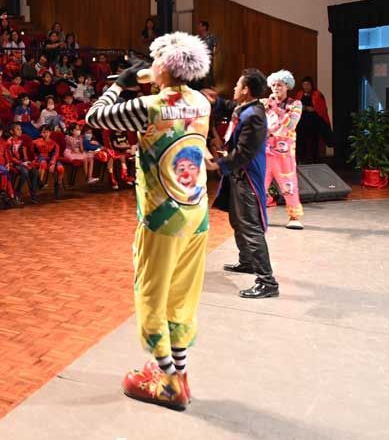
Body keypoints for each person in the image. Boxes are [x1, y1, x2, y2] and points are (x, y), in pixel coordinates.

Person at [84, 31, 213, 410]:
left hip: (162, 217)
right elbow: (174, 96)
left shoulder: (150, 107)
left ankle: (168, 381)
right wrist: (152, 79)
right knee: (182, 296)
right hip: (196, 212)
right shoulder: (202, 102)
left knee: (151, 295)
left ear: (163, 65)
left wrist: (120, 85)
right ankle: (180, 372)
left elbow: (96, 117)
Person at [205, 68, 279, 300]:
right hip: (237, 175)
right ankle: (247, 261)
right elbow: (229, 106)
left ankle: (267, 281)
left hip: (247, 176)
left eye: (238, 85)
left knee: (250, 226)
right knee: (237, 220)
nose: (234, 89)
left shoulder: (255, 115)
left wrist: (219, 165)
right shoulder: (245, 108)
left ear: (246, 90)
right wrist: (216, 101)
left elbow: (245, 152)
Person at [264, 70, 304, 229]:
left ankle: (294, 217)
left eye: (279, 85)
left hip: (284, 153)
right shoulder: (264, 103)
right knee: (260, 184)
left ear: (287, 86)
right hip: (265, 151)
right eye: (273, 85)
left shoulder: (295, 104)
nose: (275, 88)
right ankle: (258, 215)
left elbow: (291, 125)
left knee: (289, 185)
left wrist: (277, 109)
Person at [294, 76, 332, 164]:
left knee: (314, 141)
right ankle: (301, 159)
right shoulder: (299, 94)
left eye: (307, 84)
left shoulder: (317, 94)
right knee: (301, 141)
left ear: (311, 85)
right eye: (304, 85)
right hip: (302, 122)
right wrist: (300, 108)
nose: (305, 87)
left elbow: (322, 109)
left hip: (314, 122)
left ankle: (315, 160)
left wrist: (311, 109)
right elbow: (295, 106)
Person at [32, 125, 65, 198]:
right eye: (44, 132)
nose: (46, 134)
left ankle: (58, 185)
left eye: (48, 132)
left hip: (52, 159)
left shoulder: (54, 144)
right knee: (43, 163)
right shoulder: (35, 142)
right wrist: (36, 158)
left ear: (50, 133)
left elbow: (55, 154)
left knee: (61, 168)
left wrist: (53, 164)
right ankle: (40, 183)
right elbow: (33, 152)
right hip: (41, 159)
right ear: (41, 133)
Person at [196, 20, 217, 86]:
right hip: (198, 61)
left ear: (204, 27)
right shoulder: (198, 38)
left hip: (207, 60)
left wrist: (212, 55)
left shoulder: (211, 37)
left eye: (200, 26)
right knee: (199, 78)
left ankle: (211, 90)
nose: (198, 28)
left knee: (208, 77)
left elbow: (215, 49)